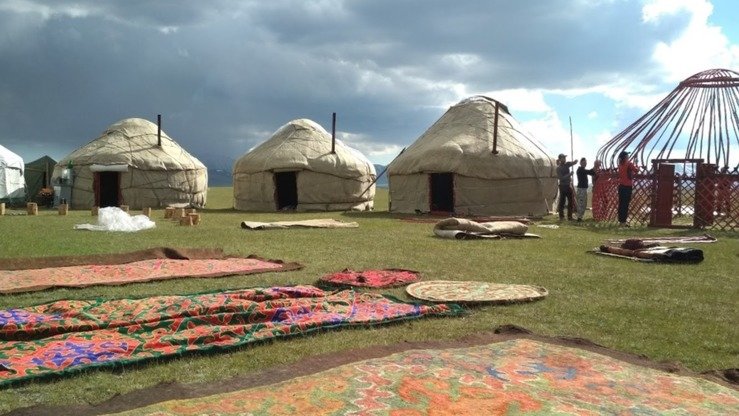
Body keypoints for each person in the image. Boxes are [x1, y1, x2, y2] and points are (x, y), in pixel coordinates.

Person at [617, 151, 639, 226]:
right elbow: (636, 170)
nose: (628, 157)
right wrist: (637, 164)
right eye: (627, 156)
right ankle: (623, 222)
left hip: (621, 186)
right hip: (627, 187)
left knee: (621, 204)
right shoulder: (629, 164)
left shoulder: (620, 165)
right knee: (625, 205)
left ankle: (621, 221)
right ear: (625, 157)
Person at [556, 153, 578, 220]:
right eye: (563, 158)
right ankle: (561, 216)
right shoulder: (558, 168)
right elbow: (561, 178)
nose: (565, 159)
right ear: (560, 159)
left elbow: (573, 163)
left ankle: (569, 216)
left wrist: (575, 161)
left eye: (565, 158)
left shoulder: (567, 164)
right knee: (562, 202)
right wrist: (570, 174)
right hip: (562, 186)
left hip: (568, 185)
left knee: (571, 201)